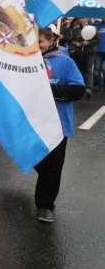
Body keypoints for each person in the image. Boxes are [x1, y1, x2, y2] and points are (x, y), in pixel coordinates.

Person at [35, 27, 85, 223]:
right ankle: (46, 180)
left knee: (53, 166)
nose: (36, 45)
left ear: (51, 40)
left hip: (56, 124)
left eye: (40, 41)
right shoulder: (21, 61)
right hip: (30, 123)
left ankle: (45, 205)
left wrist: (49, 90)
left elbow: (78, 90)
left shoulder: (65, 62)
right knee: (34, 159)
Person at [71, 18, 99, 97]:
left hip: (90, 52)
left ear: (87, 19)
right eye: (80, 18)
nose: (81, 20)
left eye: (83, 18)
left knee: (88, 70)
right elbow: (72, 39)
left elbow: (97, 40)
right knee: (80, 69)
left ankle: (88, 88)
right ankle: (81, 86)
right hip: (79, 52)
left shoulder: (93, 28)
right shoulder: (76, 29)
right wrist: (76, 43)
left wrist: (89, 42)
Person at [94, 20, 105, 91]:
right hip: (97, 50)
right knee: (97, 68)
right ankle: (97, 84)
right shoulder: (96, 25)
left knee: (104, 68)